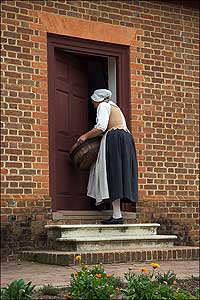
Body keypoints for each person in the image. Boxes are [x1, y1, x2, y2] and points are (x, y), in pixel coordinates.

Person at [77, 89, 138, 224]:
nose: (92, 103)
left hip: (115, 140)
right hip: (125, 139)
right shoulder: (114, 106)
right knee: (118, 175)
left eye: (93, 100)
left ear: (98, 99)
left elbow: (101, 126)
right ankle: (117, 215)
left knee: (112, 175)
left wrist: (85, 136)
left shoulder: (103, 106)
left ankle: (117, 216)